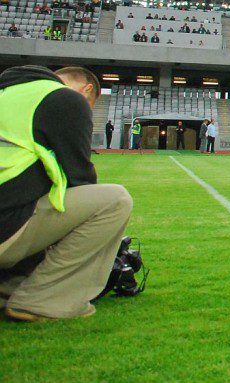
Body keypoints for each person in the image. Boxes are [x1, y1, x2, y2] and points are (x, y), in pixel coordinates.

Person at [0, 65, 133, 321]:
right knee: (115, 201)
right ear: (87, 90)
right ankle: (40, 301)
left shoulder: (11, 93)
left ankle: (9, 287)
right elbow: (79, 179)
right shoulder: (65, 99)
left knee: (39, 196)